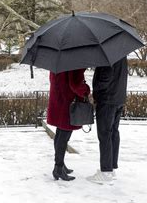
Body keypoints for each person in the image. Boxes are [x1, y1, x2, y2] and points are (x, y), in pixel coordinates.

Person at [87, 56, 128, 184]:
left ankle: (106, 171)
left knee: (105, 134)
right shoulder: (121, 54)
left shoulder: (108, 57)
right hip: (118, 98)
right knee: (113, 133)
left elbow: (105, 78)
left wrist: (95, 92)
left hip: (107, 100)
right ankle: (111, 168)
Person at [47, 69, 90, 181]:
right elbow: (75, 85)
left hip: (58, 100)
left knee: (60, 134)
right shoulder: (74, 64)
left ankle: (60, 164)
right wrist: (86, 89)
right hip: (68, 104)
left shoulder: (58, 62)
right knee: (64, 136)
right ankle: (58, 167)